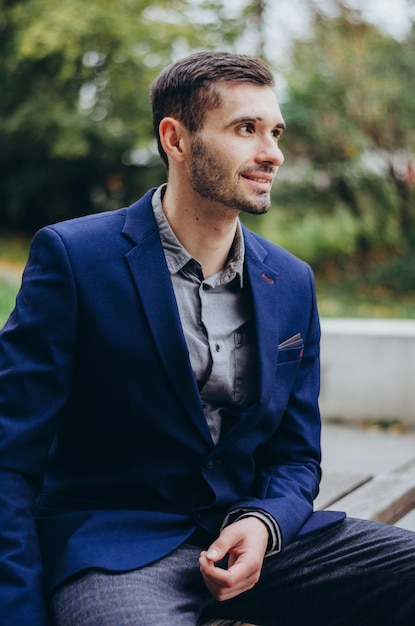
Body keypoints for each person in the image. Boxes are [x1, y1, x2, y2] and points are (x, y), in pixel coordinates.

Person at [0, 51, 415, 626]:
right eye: (246, 129)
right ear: (175, 138)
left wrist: (264, 523)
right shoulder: (74, 259)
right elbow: (9, 458)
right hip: (116, 555)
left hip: (256, 545)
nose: (273, 152)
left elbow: (295, 456)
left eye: (275, 131)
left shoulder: (291, 280)